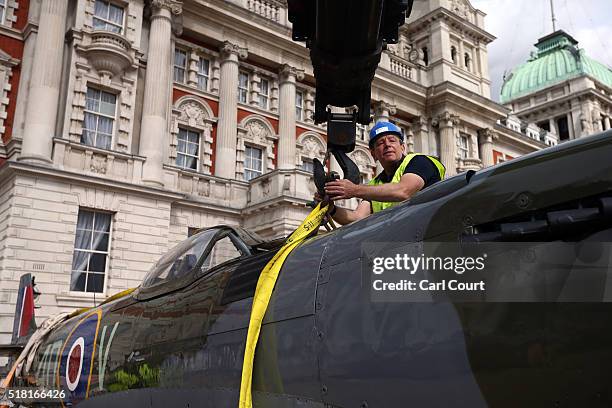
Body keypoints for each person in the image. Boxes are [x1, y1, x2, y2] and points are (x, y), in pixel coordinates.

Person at [320, 121, 445, 225]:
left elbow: (404, 191)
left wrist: (353, 190)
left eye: (392, 140)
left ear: (402, 147)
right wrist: (331, 209)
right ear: (373, 154)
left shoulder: (420, 162)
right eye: (380, 143)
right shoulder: (375, 184)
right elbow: (357, 218)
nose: (387, 145)